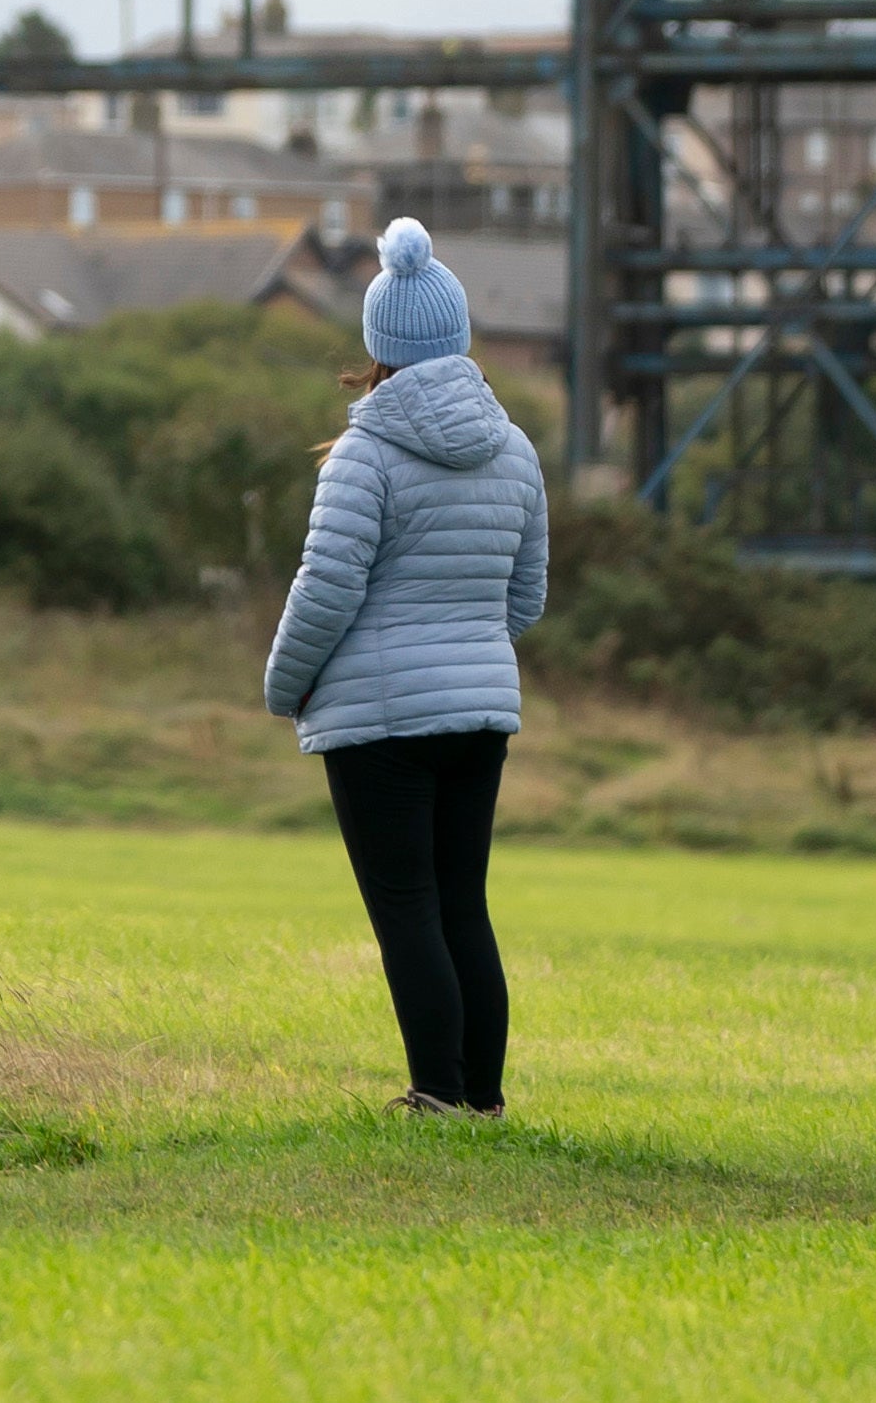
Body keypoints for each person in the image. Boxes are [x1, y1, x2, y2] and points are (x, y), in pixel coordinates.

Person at [264, 219, 547, 1115]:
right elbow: (525, 598)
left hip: (380, 723)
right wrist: (466, 647)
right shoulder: (515, 447)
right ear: (457, 335)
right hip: (480, 713)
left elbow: (325, 590)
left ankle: (434, 1094)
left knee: (406, 910)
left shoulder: (364, 453)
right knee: (464, 905)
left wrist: (284, 685)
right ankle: (482, 1098)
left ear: (378, 344)